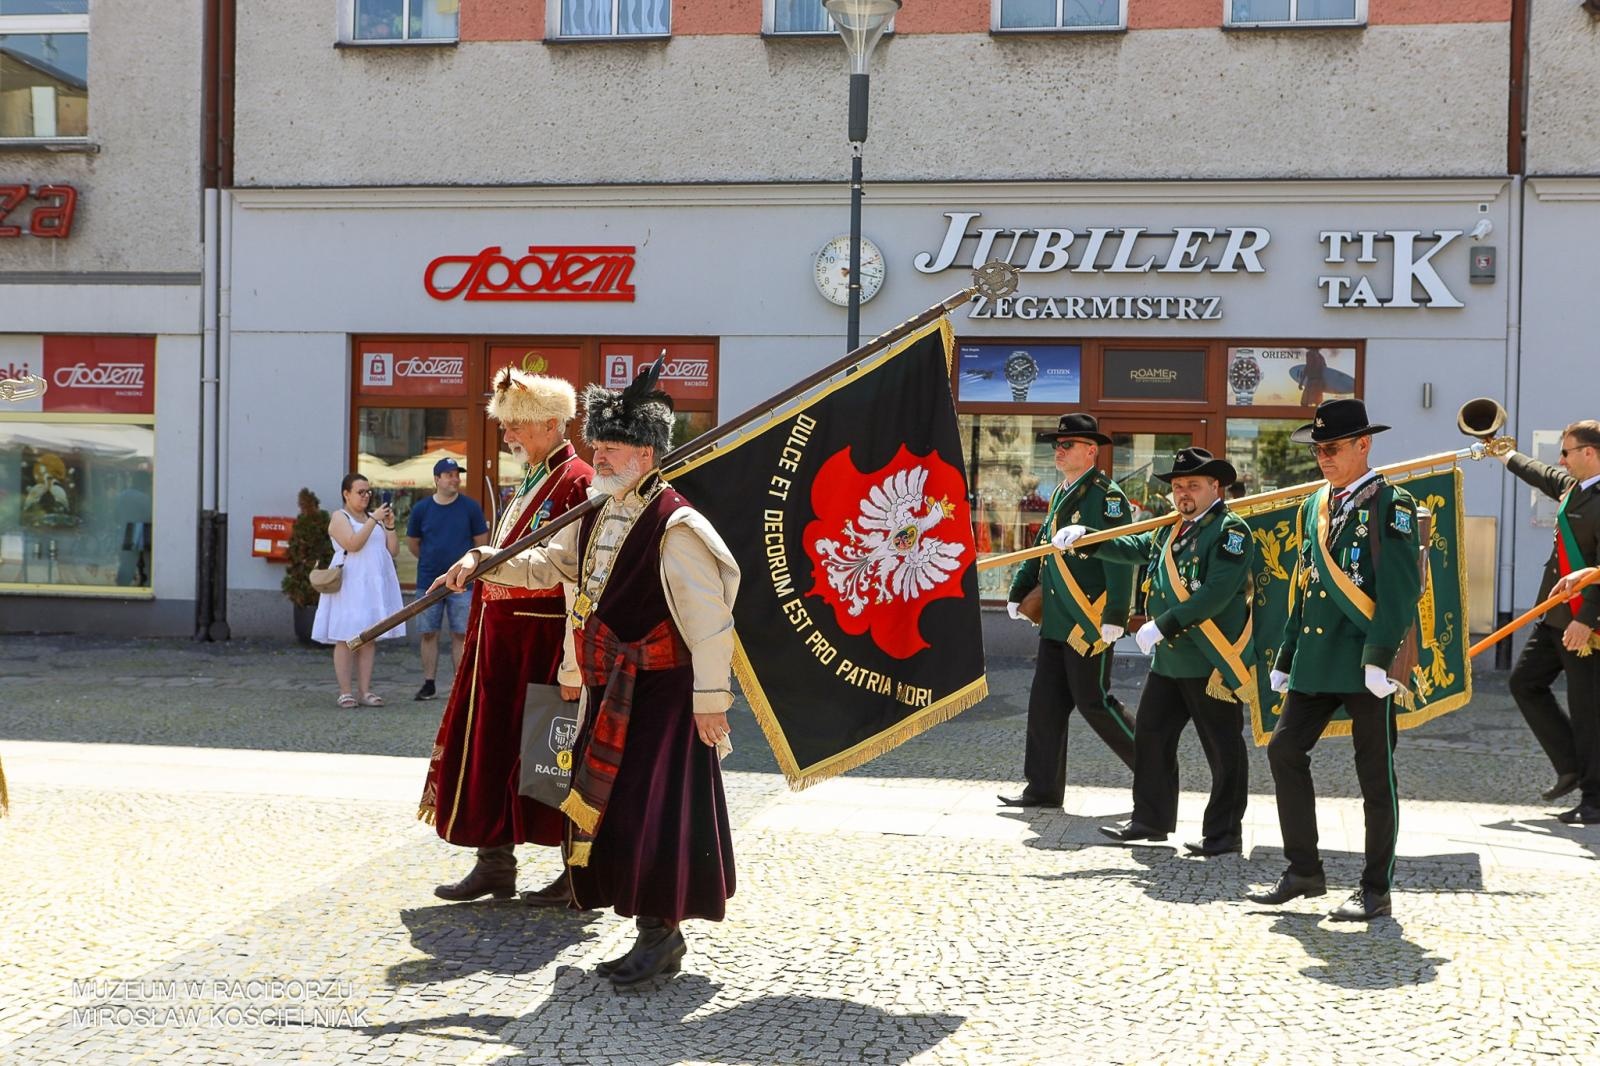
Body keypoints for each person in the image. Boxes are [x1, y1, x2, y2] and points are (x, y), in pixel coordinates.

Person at [442, 363, 739, 987]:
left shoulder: (677, 526)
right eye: (597, 445)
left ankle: (662, 937)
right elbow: (550, 565)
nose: (597, 454)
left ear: (647, 452)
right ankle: (649, 931)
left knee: (653, 814)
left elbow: (710, 622)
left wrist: (712, 701)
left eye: (610, 447)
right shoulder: (601, 510)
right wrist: (484, 562)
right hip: (614, 691)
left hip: (664, 697)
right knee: (620, 814)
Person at [423, 370, 594, 905]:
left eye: (516, 425)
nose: (507, 436)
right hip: (499, 640)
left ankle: (577, 872)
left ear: (549, 422)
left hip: (540, 644)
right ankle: (494, 861)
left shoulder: (577, 480)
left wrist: (483, 563)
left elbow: (566, 571)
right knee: (491, 751)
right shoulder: (533, 476)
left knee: (552, 756)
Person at [1247, 399, 1422, 921]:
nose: (1323, 457)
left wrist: (1380, 657)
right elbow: (1305, 584)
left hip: (1364, 657)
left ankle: (1375, 888)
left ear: (1363, 445)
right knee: (1283, 751)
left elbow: (1399, 588)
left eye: (1333, 447)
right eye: (1318, 449)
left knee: (1375, 776)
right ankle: (1304, 870)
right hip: (1318, 659)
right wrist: (1287, 654)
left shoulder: (1392, 503)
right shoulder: (1313, 506)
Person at [1056, 448, 1255, 855]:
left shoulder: (1231, 532)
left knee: (1222, 748)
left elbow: (1216, 593)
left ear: (1215, 487)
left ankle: (1224, 834)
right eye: (1178, 486)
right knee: (1151, 737)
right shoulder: (1170, 530)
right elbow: (1130, 547)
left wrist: (1160, 625)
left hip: (1209, 660)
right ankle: (1150, 819)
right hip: (1169, 662)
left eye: (1193, 486)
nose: (1184, 493)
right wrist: (1088, 541)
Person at [999, 413, 1137, 808]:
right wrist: (1019, 589)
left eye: (1068, 445)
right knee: (1045, 706)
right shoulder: (1062, 492)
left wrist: (1115, 616)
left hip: (1088, 622)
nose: (1059, 451)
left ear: (1090, 450)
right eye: (1057, 445)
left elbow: (1120, 561)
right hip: (1057, 621)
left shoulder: (1106, 498)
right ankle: (1041, 788)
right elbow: (1044, 545)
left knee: (1095, 704)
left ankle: (1154, 772)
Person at [1498, 420, 1600, 824]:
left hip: (1585, 623)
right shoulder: (1574, 488)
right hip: (1555, 614)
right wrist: (1504, 454)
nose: (1561, 459)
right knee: (1524, 683)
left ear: (1589, 452)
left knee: (1588, 708)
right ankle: (1572, 766)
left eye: (1568, 451)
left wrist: (1588, 621)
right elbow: (1544, 475)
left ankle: (1595, 799)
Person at [312, 472, 405, 707]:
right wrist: (373, 520)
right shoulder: (340, 517)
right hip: (351, 583)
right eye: (360, 492)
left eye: (368, 492)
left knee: (368, 637)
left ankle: (365, 690)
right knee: (345, 637)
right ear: (346, 494)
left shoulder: (372, 518)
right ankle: (345, 691)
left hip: (372, 583)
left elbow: (392, 550)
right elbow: (353, 544)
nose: (366, 496)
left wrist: (390, 526)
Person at [406, 457, 490, 702]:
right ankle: (429, 684)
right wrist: (431, 560)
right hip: (429, 580)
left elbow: (481, 542)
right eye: (449, 474)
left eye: (457, 474)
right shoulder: (422, 509)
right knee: (428, 632)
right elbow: (413, 544)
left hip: (463, 583)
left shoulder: (470, 508)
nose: (455, 479)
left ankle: (459, 687)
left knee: (460, 634)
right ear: (437, 480)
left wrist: (466, 568)